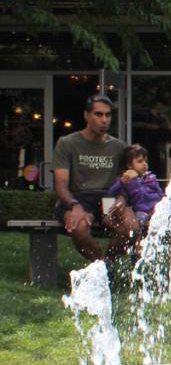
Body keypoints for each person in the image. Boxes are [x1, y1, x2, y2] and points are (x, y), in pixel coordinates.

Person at [52, 93, 139, 262]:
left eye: (108, 115)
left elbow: (126, 182)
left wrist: (122, 198)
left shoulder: (118, 146)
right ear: (86, 115)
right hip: (79, 197)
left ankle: (108, 264)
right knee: (79, 227)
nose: (104, 119)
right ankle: (101, 265)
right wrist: (74, 206)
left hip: (108, 198)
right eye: (98, 114)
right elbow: (61, 185)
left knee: (131, 227)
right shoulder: (67, 143)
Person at [107, 144, 164, 234]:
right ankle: (140, 243)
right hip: (140, 212)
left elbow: (160, 193)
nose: (144, 164)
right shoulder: (127, 178)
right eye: (140, 161)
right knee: (141, 220)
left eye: (146, 161)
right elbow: (111, 193)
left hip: (155, 209)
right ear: (129, 165)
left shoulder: (151, 178)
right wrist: (122, 182)